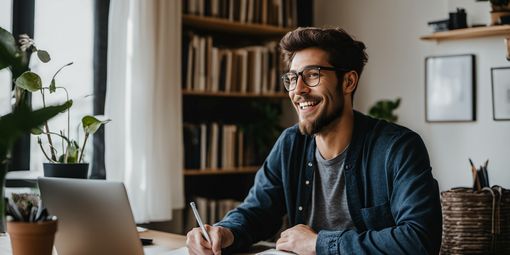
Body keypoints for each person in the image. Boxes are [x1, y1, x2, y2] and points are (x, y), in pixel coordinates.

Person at [186, 27, 442, 255]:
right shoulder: (290, 144)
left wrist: (320, 243)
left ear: (348, 81)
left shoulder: (398, 148)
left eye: (312, 75)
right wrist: (224, 232)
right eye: (292, 78)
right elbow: (257, 211)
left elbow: (419, 240)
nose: (298, 90)